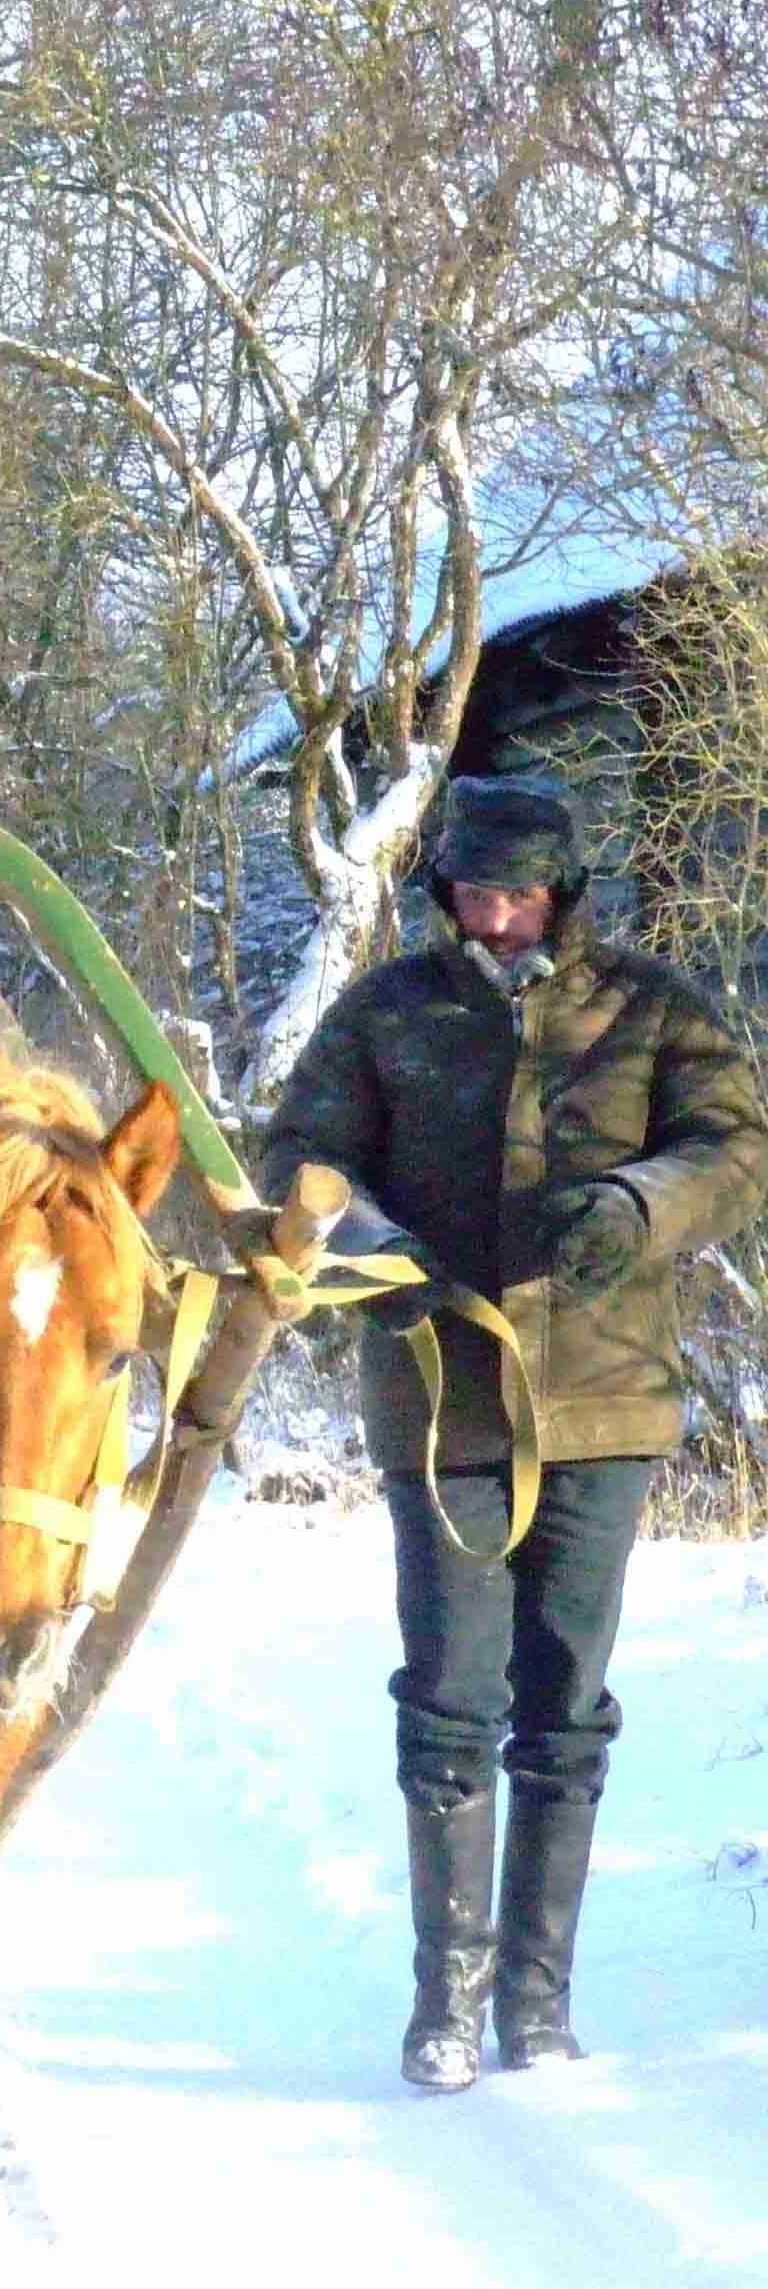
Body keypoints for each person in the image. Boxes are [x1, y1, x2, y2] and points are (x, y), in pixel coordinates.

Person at [263, 773, 768, 2092]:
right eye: (471, 895)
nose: (492, 918)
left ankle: (537, 2007)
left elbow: (737, 1146)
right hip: (443, 1405)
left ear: (565, 893)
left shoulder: (656, 1008)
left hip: (603, 1408)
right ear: (442, 894)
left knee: (564, 1709)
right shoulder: (390, 1014)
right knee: (448, 1700)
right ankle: (447, 2004)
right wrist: (375, 1257)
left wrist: (640, 1204)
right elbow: (299, 1161)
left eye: (516, 895)